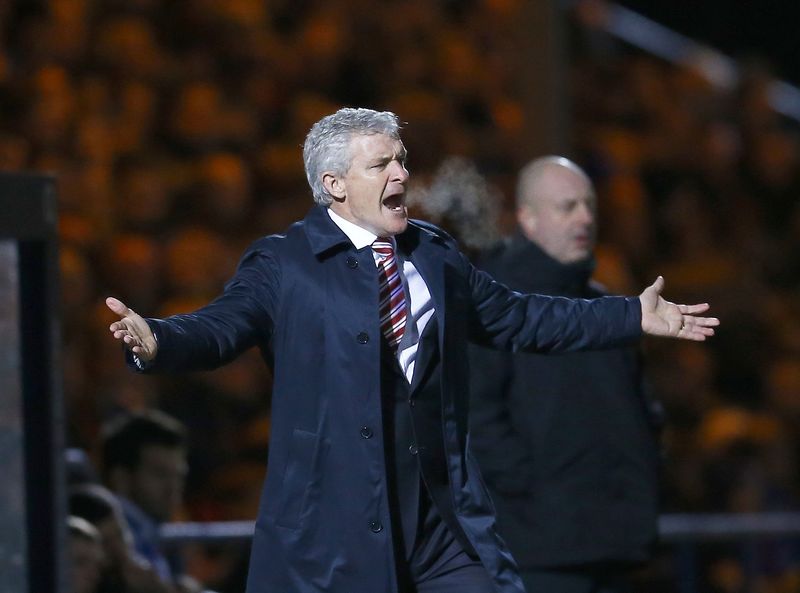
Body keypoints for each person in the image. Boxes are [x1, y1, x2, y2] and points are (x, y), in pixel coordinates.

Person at [105, 107, 718, 593]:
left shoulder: (435, 254)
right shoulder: (284, 263)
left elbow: (521, 317)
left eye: (401, 160)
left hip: (441, 521)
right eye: (381, 165)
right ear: (334, 185)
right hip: (335, 528)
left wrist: (629, 314)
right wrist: (159, 340)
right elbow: (221, 327)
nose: (401, 175)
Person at [469, 156, 662, 593]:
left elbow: (637, 406)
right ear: (528, 218)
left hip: (612, 543)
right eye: (567, 206)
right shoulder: (490, 303)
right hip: (539, 550)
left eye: (590, 205)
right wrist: (535, 493)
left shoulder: (605, 307)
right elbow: (475, 415)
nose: (586, 218)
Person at [100, 410, 198, 592]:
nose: (173, 488)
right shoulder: (108, 539)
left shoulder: (156, 533)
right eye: (160, 474)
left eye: (178, 476)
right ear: (121, 478)